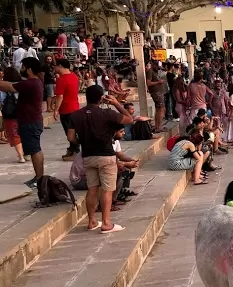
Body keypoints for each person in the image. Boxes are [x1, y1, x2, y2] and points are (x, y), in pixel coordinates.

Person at [68, 86, 132, 233]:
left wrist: (82, 142)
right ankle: (106, 223)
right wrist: (116, 103)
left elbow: (70, 137)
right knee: (107, 190)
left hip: (88, 156)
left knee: (92, 189)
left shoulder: (76, 115)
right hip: (106, 155)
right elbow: (129, 118)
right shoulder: (107, 113)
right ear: (101, 98)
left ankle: (91, 221)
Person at [0, 57, 45, 188]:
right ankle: (39, 177)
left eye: (23, 67)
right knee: (36, 150)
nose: (21, 69)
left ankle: (39, 178)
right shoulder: (35, 82)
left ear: (29, 69)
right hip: (33, 121)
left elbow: (8, 86)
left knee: (34, 150)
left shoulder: (30, 83)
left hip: (30, 122)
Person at [51, 58, 82, 158]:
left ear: (60, 66)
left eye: (55, 66)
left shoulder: (61, 79)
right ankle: (73, 149)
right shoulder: (74, 76)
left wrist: (56, 109)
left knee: (69, 132)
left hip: (66, 109)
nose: (54, 68)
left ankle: (76, 150)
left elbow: (60, 96)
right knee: (73, 130)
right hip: (75, 107)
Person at [1, 67, 25, 163]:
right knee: (23, 133)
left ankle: (21, 156)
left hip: (10, 114)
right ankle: (26, 154)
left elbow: (1, 100)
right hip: (23, 113)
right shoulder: (22, 84)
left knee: (14, 134)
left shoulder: (4, 87)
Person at [144, 60, 166, 132]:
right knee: (160, 108)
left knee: (160, 109)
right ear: (154, 65)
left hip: (159, 92)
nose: (158, 69)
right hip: (156, 93)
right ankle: (157, 127)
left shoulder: (157, 72)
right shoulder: (150, 71)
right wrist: (158, 82)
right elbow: (148, 83)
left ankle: (158, 126)